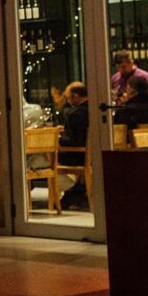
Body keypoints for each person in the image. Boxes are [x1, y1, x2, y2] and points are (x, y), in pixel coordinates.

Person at [57, 82, 91, 211]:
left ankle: (70, 189)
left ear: (75, 96)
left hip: (76, 156)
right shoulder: (94, 107)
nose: (68, 101)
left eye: (68, 98)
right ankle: (78, 190)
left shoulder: (75, 113)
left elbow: (72, 141)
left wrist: (58, 138)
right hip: (90, 154)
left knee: (45, 156)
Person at [111, 51, 148, 125]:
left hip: (142, 117)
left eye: (123, 67)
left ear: (131, 63)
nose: (121, 70)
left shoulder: (144, 77)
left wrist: (131, 98)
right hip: (121, 116)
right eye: (118, 67)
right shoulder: (115, 79)